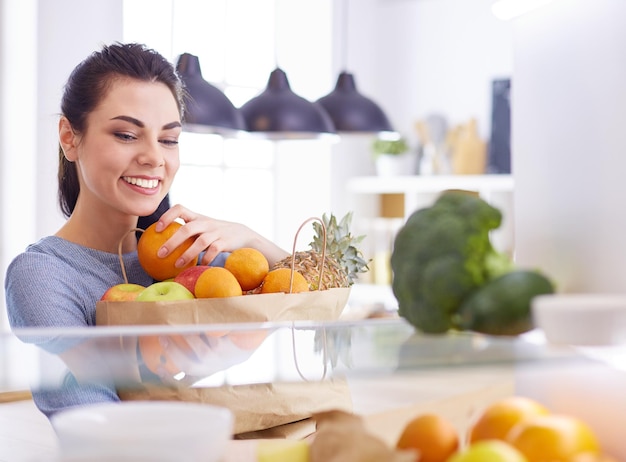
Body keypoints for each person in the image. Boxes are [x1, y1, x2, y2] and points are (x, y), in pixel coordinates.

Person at [4, 42, 289, 419]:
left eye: (169, 139)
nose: (155, 157)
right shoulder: (42, 276)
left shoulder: (184, 255)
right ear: (70, 137)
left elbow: (316, 292)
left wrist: (250, 237)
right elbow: (96, 421)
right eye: (126, 134)